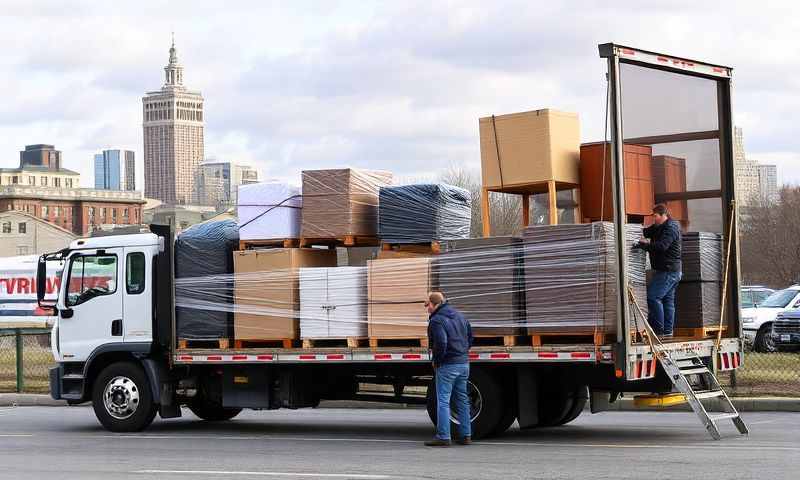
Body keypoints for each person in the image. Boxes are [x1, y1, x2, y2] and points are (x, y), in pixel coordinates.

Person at [424, 292, 473, 447]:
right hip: (464, 363)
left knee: (443, 401)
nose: (427, 308)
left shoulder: (437, 320)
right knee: (462, 400)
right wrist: (462, 352)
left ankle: (443, 436)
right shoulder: (460, 316)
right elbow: (470, 337)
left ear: (435, 304)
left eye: (427, 305)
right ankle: (466, 435)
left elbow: (441, 343)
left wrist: (437, 361)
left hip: (448, 365)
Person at [638, 204, 683, 337]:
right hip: (671, 271)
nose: (654, 219)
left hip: (668, 271)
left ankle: (658, 330)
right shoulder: (660, 226)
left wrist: (645, 246)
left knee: (653, 297)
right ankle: (668, 332)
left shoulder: (671, 227)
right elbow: (646, 232)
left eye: (655, 216)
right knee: (667, 301)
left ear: (664, 215)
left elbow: (663, 246)